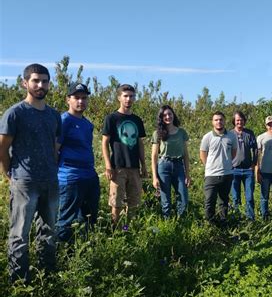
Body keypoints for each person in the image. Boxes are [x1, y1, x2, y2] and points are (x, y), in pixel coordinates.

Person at [0, 63, 61, 282]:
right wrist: (9, 174)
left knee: (48, 232)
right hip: (24, 182)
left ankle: (47, 277)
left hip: (50, 180)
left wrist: (52, 169)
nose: (40, 85)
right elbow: (2, 147)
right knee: (20, 234)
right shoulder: (15, 113)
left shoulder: (54, 115)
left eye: (44, 81)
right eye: (35, 80)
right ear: (25, 82)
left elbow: (54, 146)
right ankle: (19, 283)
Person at [56, 82, 100, 242]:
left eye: (84, 98)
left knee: (89, 218)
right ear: (68, 99)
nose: (80, 101)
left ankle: (84, 249)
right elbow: (55, 150)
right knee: (65, 220)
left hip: (89, 176)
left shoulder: (87, 124)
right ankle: (62, 254)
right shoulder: (63, 121)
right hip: (70, 178)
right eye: (76, 98)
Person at [102, 84, 147, 224]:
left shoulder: (137, 120)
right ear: (119, 98)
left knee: (133, 203)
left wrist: (143, 166)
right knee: (116, 203)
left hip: (134, 167)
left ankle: (128, 230)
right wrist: (108, 166)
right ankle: (116, 232)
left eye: (131, 96)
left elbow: (140, 144)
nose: (128, 99)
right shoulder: (111, 118)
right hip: (117, 167)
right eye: (125, 96)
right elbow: (104, 143)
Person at [151, 105, 190, 219]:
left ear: (173, 115)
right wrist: (154, 177)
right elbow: (154, 156)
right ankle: (167, 223)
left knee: (183, 197)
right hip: (164, 166)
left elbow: (186, 155)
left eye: (170, 114)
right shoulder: (157, 133)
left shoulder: (181, 132)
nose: (168, 117)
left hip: (178, 165)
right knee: (165, 199)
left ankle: (181, 222)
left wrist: (187, 174)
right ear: (161, 118)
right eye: (165, 115)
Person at [199, 111, 237, 223]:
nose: (219, 122)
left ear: (224, 121)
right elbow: (202, 154)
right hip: (211, 175)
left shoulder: (231, 136)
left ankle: (223, 223)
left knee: (224, 201)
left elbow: (234, 152)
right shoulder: (207, 137)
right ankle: (210, 224)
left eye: (221, 119)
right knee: (209, 200)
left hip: (227, 174)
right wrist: (210, 166)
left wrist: (226, 163)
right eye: (216, 120)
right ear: (212, 122)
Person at [230, 111, 258, 221]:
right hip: (234, 169)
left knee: (249, 197)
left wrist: (253, 164)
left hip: (247, 170)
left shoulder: (249, 133)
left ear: (244, 121)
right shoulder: (230, 134)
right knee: (235, 197)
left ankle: (250, 219)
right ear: (234, 121)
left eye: (241, 120)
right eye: (237, 120)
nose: (239, 122)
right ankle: (236, 219)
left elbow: (255, 149)